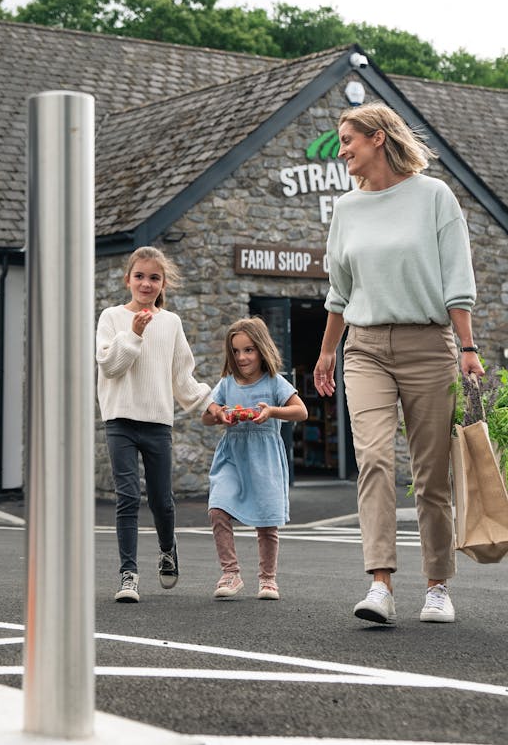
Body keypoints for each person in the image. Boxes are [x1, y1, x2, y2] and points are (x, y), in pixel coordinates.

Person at [313, 101, 485, 626]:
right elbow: (339, 290)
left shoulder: (434, 196)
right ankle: (380, 584)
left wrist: (468, 349)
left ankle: (437, 586)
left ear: (378, 138)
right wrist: (327, 351)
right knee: (374, 460)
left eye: (348, 140)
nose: (341, 151)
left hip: (428, 345)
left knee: (431, 475)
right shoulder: (346, 209)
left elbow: (457, 278)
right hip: (364, 347)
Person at [96, 245, 223, 603]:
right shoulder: (111, 318)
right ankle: (128, 575)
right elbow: (110, 367)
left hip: (157, 424)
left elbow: (182, 377)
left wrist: (210, 404)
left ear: (163, 283)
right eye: (139, 276)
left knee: (162, 501)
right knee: (126, 497)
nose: (146, 283)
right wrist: (134, 334)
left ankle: (168, 548)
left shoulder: (171, 323)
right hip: (120, 421)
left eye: (154, 278)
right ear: (128, 279)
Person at [202, 317, 307, 600]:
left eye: (248, 350)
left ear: (262, 349)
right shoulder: (226, 383)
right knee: (217, 509)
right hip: (232, 456)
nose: (242, 357)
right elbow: (206, 417)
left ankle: (268, 579)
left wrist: (272, 411)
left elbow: (301, 411)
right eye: (236, 351)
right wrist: (220, 414)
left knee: (266, 521)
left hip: (264, 458)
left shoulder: (274, 381)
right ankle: (230, 572)